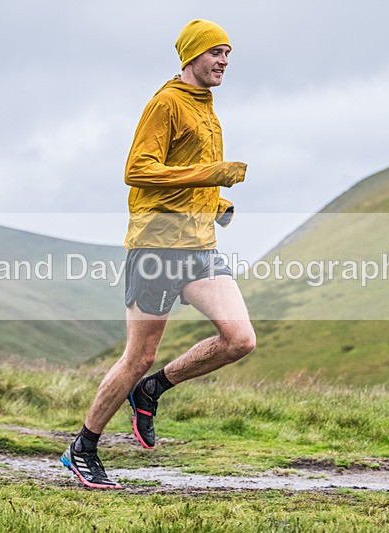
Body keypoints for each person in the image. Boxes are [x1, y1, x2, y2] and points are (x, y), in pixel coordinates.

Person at [60, 19, 256, 489]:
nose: (224, 61)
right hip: (157, 246)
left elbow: (185, 174)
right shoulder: (166, 103)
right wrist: (212, 173)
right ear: (191, 56)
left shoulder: (207, 109)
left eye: (228, 53)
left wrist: (218, 203)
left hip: (199, 246)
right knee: (138, 355)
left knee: (240, 339)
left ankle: (153, 391)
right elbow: (138, 170)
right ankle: (82, 447)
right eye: (216, 53)